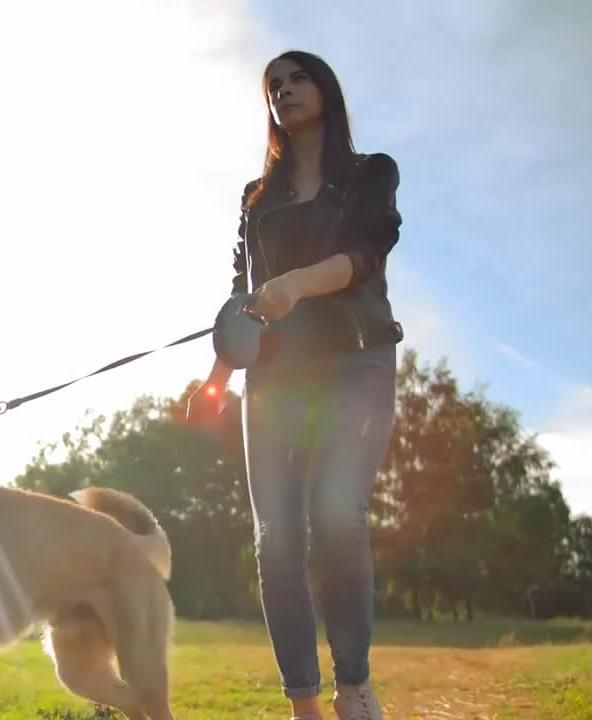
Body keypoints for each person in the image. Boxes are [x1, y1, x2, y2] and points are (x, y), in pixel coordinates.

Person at [186, 49, 404, 720]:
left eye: (297, 78)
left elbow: (370, 253)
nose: (284, 91)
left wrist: (297, 285)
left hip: (355, 361)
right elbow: (242, 296)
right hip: (276, 379)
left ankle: (354, 687)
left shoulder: (371, 174)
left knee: (337, 515)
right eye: (273, 86)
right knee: (275, 537)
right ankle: (304, 706)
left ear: (325, 90)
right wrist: (218, 377)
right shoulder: (257, 202)